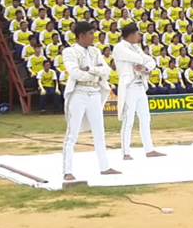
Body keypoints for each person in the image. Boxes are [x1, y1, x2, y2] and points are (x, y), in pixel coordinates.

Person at [61, 22, 119, 181]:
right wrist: (96, 73)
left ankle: (104, 166)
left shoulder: (95, 51)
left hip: (94, 92)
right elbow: (75, 73)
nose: (93, 37)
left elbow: (107, 71)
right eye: (91, 34)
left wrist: (91, 70)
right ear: (81, 35)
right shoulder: (69, 51)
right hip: (78, 92)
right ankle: (67, 170)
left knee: (99, 131)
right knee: (72, 133)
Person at [113, 24, 166, 161]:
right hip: (129, 86)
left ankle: (149, 149)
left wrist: (146, 68)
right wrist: (144, 61)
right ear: (131, 35)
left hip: (140, 86)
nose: (139, 36)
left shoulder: (136, 48)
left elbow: (151, 61)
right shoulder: (120, 47)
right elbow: (139, 58)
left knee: (145, 118)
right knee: (128, 120)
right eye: (137, 34)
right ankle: (126, 152)